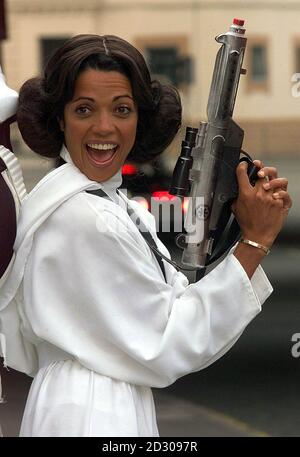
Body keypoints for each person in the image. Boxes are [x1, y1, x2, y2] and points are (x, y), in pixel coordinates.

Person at [0, 34, 292, 437]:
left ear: (141, 118)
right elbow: (169, 340)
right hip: (91, 411)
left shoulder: (105, 202)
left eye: (122, 109)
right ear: (59, 119)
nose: (105, 127)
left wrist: (235, 216)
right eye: (84, 109)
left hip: (94, 400)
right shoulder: (81, 216)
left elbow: (175, 296)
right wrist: (255, 242)